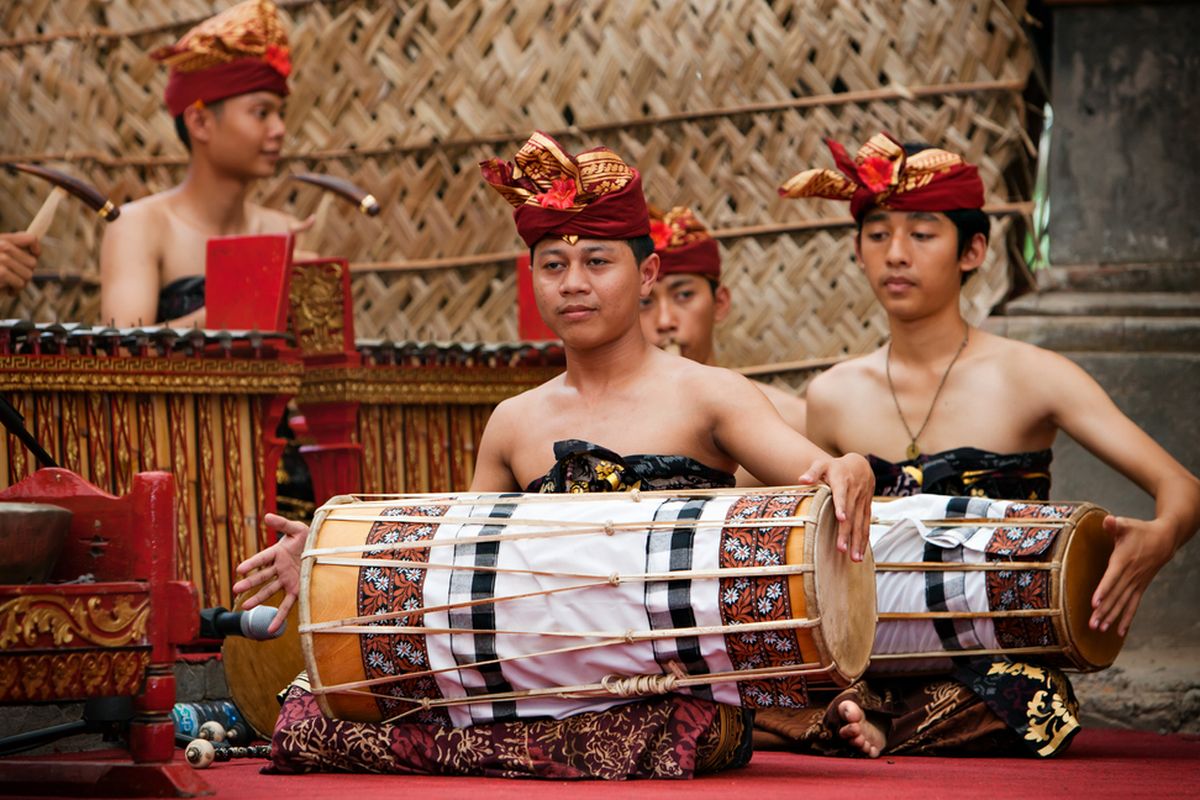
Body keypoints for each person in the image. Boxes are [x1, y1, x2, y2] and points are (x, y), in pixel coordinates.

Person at [233, 131, 875, 779]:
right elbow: (454, 576)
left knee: (666, 728)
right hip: (540, 680)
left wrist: (847, 468)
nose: (574, 284)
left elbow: (812, 473)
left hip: (666, 692)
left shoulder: (709, 396)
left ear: (646, 273)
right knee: (308, 713)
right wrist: (324, 570)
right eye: (553, 265)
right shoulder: (513, 421)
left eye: (598, 262)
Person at [753, 131, 1200, 759]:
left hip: (988, 660)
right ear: (857, 252)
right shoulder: (832, 393)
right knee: (751, 690)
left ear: (974, 250)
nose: (896, 254)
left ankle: (875, 728)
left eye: (923, 233)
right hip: (871, 652)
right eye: (877, 234)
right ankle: (864, 715)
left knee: (1038, 702)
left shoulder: (1032, 375)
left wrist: (1161, 537)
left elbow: (1182, 487)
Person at [99, 0, 310, 327]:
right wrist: (251, 296)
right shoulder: (140, 228)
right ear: (200, 122)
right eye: (261, 113)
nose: (279, 130)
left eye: (280, 114)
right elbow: (124, 354)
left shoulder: (284, 231)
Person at [640, 205, 807, 439]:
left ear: (719, 304)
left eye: (684, 295)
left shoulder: (791, 424)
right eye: (644, 303)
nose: (665, 321)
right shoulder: (608, 431)